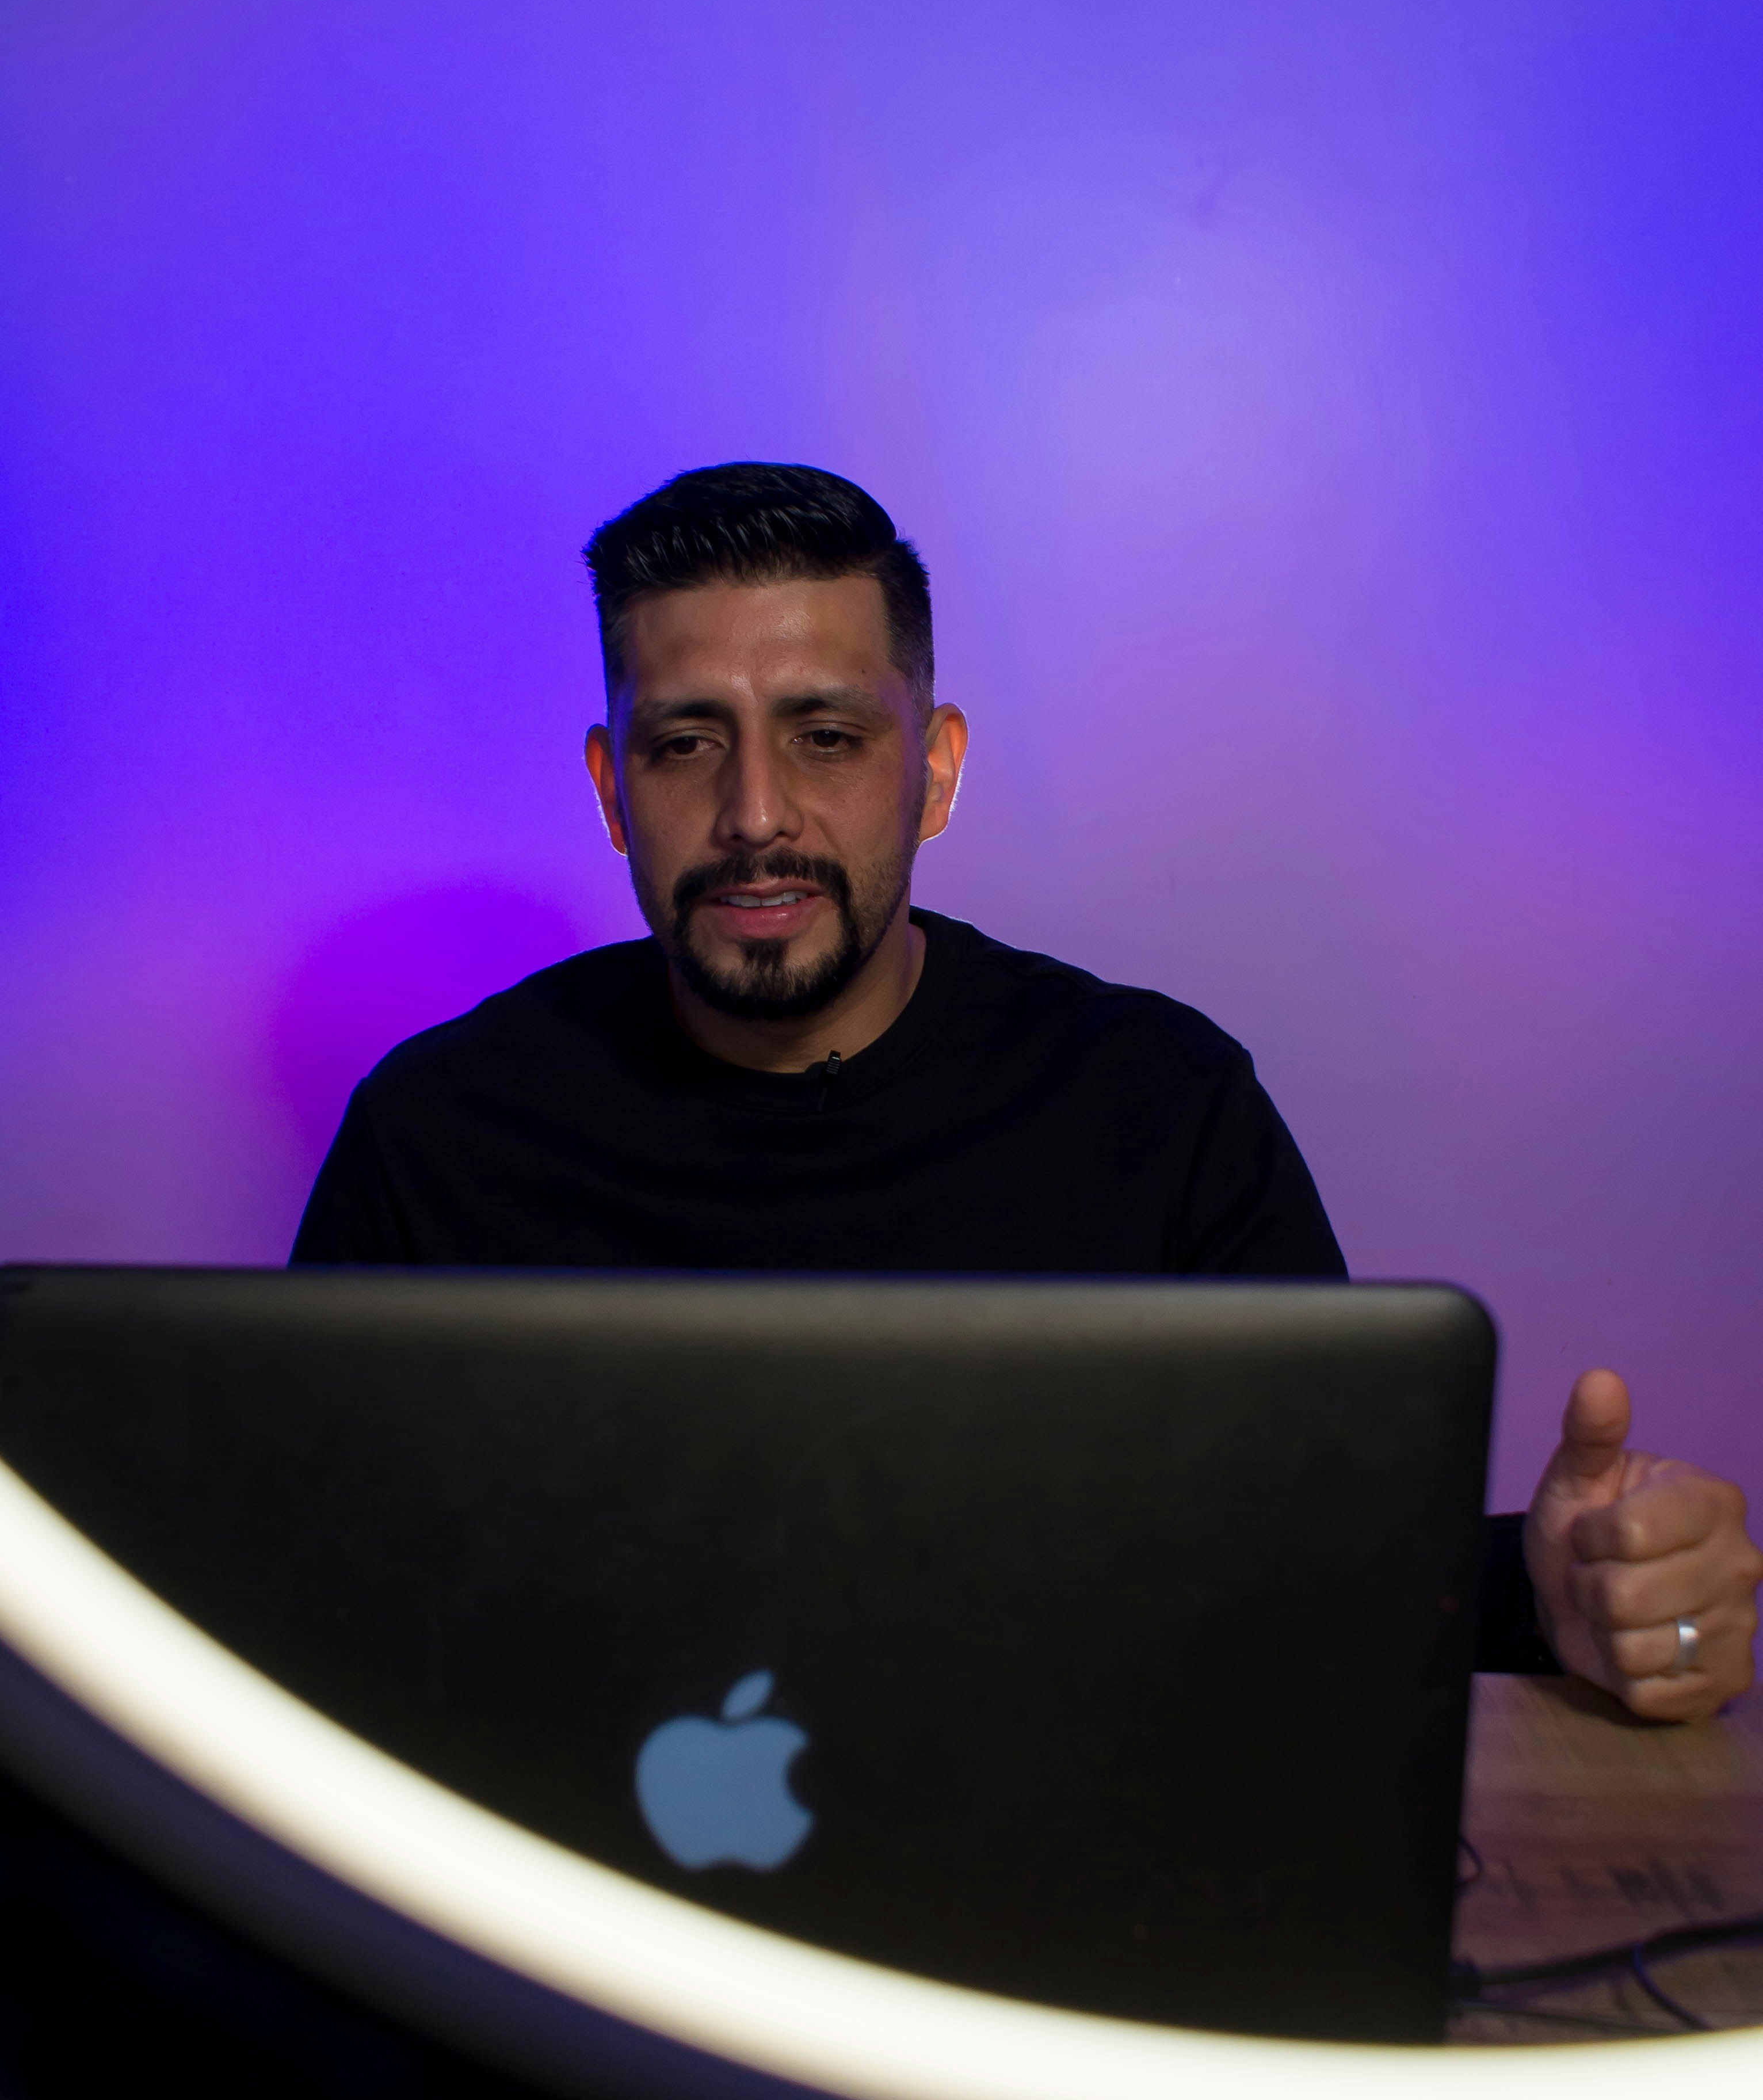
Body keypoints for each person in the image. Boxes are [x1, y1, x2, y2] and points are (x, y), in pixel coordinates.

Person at [293, 463, 1760, 1724]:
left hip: (1073, 1904)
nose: (755, 816)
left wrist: (1548, 1600)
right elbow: (291, 1592)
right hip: (541, 1933)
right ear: (614, 790)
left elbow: (1329, 1575)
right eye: (688, 745)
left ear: (931, 772)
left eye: (825, 735)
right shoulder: (439, 1133)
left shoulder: (1157, 1109)